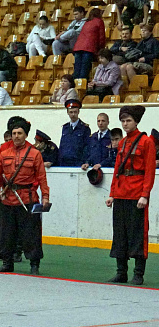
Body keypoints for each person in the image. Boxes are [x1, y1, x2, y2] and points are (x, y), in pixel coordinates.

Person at [0, 118, 50, 275]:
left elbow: (42, 178)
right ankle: (7, 262)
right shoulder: (4, 154)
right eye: (14, 133)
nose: (16, 136)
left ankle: (34, 264)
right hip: (8, 199)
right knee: (6, 233)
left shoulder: (35, 154)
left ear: (25, 135)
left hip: (28, 199)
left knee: (31, 234)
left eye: (20, 133)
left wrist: (45, 197)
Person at [106, 105, 155, 285]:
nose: (125, 124)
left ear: (136, 122)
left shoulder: (146, 142)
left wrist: (145, 194)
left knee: (137, 234)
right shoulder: (123, 143)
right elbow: (117, 170)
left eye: (128, 121)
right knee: (120, 234)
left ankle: (138, 274)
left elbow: (149, 171)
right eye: (123, 121)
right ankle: (121, 272)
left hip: (136, 195)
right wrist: (112, 193)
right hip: (121, 194)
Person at [72, 8, 106, 79]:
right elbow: (101, 37)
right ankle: (82, 87)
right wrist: (101, 50)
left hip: (78, 47)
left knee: (77, 69)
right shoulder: (99, 21)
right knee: (84, 70)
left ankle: (75, 86)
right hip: (89, 48)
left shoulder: (87, 22)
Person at [58, 99, 91, 167]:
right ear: (67, 112)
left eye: (75, 112)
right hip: (64, 162)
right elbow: (62, 145)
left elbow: (87, 147)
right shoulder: (65, 128)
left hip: (78, 163)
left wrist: (85, 162)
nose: (73, 114)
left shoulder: (85, 128)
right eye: (71, 112)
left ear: (78, 112)